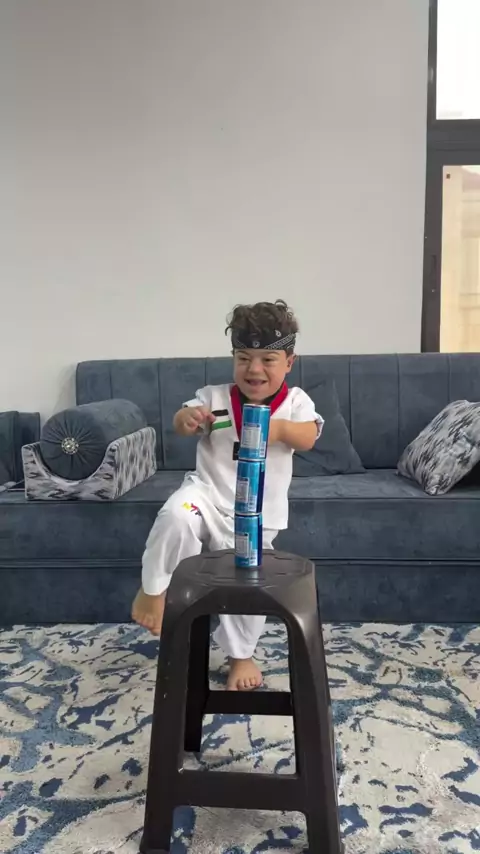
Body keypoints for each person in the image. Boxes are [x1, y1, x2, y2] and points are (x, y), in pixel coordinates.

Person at [132, 300, 323, 690]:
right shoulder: (214, 397)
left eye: (268, 360)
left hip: (256, 515)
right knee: (176, 515)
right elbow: (182, 421)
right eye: (243, 358)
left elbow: (309, 436)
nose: (254, 369)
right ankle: (154, 589)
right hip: (205, 497)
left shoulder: (295, 402)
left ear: (289, 362)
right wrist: (188, 419)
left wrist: (279, 429)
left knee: (249, 580)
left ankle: (241, 655)